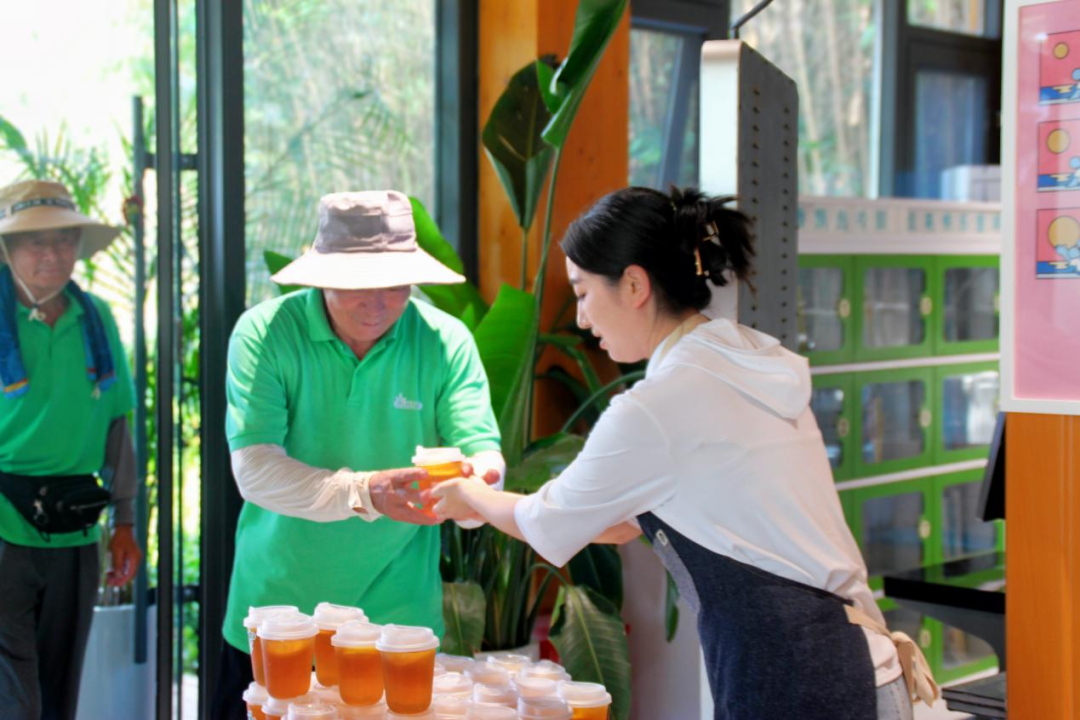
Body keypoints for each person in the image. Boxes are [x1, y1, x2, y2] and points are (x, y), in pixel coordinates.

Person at [431, 186, 939, 720]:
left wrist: (472, 497)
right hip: (861, 666)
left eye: (583, 293)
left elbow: (547, 521)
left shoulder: (658, 406)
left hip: (803, 682)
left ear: (634, 285)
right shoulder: (745, 358)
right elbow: (615, 525)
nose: (581, 318)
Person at [212, 190, 504, 717]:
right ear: (321, 275)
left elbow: (482, 453)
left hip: (398, 623)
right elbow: (254, 469)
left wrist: (479, 489)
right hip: (280, 617)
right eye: (358, 285)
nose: (378, 303)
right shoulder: (266, 332)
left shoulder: (444, 340)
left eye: (396, 284)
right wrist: (366, 491)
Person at [0, 180, 141, 720]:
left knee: (60, 686)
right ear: (8, 250)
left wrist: (125, 523)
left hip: (77, 528)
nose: (52, 254)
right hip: (4, 526)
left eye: (63, 240)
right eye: (35, 241)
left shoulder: (95, 317)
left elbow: (118, 429)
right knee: (15, 697)